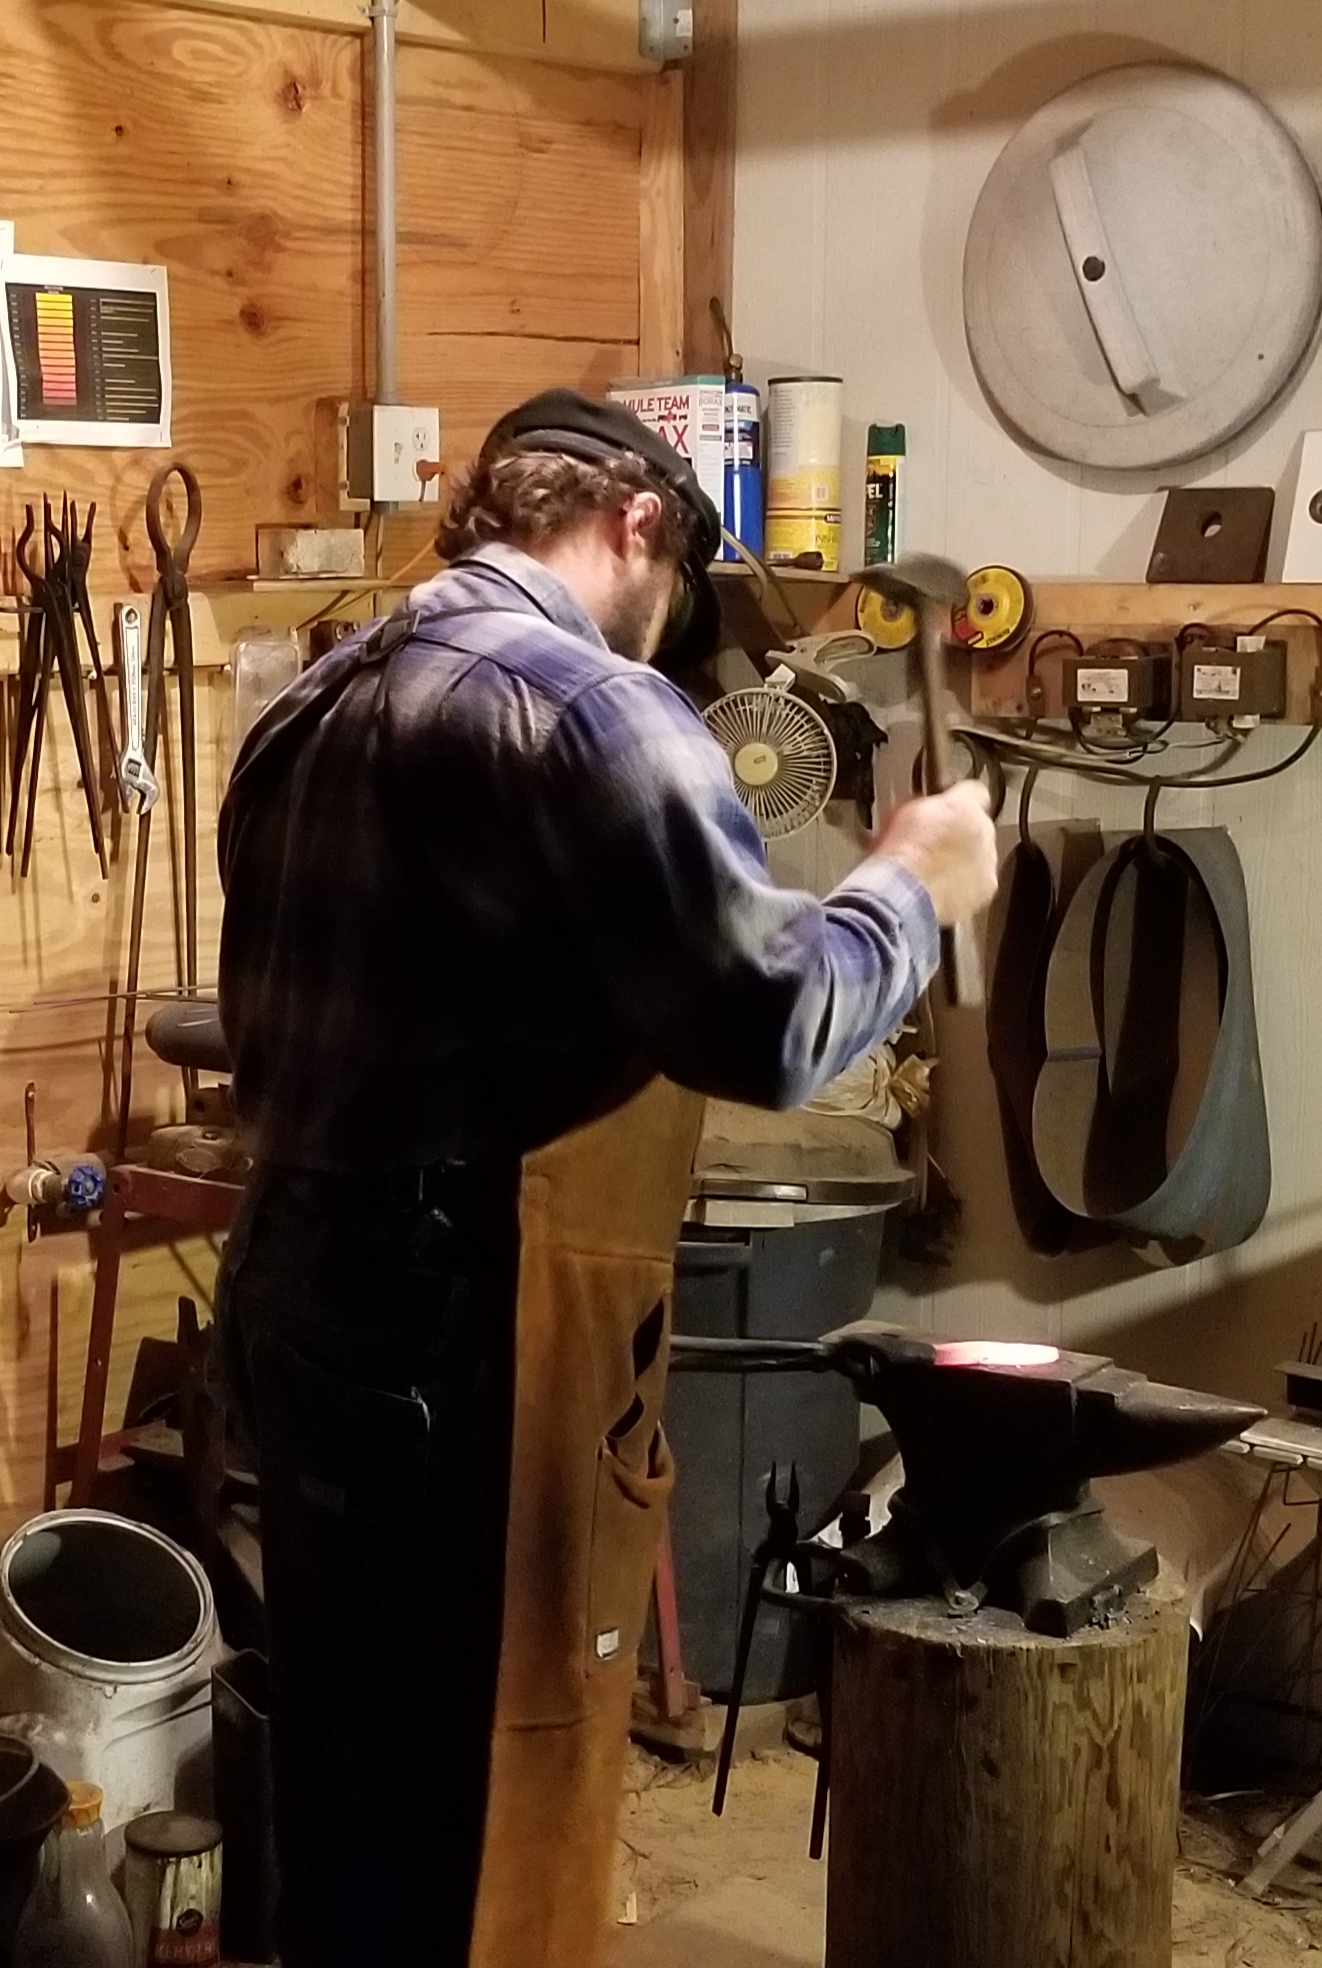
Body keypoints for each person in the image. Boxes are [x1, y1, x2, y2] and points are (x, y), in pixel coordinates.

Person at [212, 389, 997, 1968]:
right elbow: (773, 1024)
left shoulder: (311, 700)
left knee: (350, 1776)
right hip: (459, 1330)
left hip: (299, 1297)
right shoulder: (584, 706)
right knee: (486, 1781)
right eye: (678, 575)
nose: (666, 622)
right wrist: (909, 883)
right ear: (636, 519)